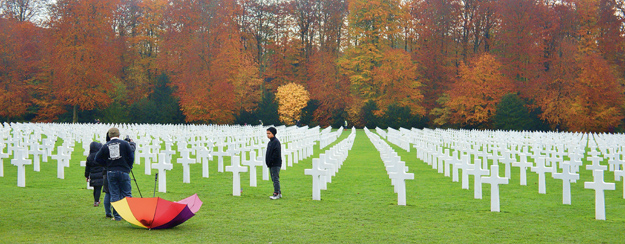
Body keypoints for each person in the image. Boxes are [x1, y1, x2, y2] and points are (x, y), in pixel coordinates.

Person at [95, 128, 135, 221]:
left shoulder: (106, 145)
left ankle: (117, 216)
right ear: (119, 135)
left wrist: (106, 164)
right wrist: (128, 166)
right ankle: (128, 215)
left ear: (109, 136)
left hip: (111, 172)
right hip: (124, 171)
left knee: (114, 194)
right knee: (127, 193)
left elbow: (97, 158)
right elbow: (131, 156)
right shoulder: (125, 144)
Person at [84, 142, 104, 207]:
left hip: (93, 174)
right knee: (98, 188)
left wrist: (87, 176)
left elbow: (87, 167)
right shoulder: (100, 155)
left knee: (95, 188)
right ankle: (96, 201)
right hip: (100, 174)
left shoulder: (89, 157)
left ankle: (96, 200)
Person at [265, 127, 282, 200]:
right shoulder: (270, 142)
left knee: (275, 178)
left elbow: (276, 153)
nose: (267, 135)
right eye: (267, 134)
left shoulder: (276, 142)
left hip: (275, 163)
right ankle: (278, 192)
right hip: (271, 164)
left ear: (273, 133)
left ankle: (276, 193)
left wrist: (271, 161)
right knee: (273, 178)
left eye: (269, 133)